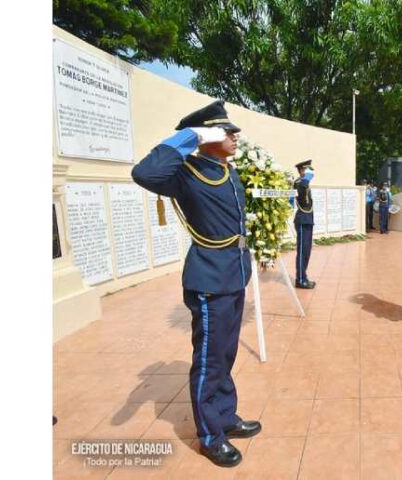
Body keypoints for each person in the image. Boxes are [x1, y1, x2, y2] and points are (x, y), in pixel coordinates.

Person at [132, 100, 261, 467]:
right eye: (226, 130)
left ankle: (225, 417)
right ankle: (209, 435)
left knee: (225, 354)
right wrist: (191, 136)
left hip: (234, 273)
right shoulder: (185, 172)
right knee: (208, 359)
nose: (235, 135)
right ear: (207, 135)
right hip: (209, 277)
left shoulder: (226, 170)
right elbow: (144, 174)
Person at [293, 159, 316, 288]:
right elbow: (301, 187)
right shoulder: (299, 182)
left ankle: (303, 276)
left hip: (308, 219)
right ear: (301, 170)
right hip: (302, 219)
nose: (310, 171)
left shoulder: (304, 182)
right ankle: (300, 279)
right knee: (302, 251)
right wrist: (306, 178)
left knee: (307, 250)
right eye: (307, 169)